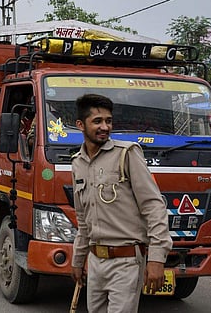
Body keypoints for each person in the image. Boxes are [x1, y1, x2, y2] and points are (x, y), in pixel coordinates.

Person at [71, 94, 172, 313]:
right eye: (97, 121)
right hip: (96, 261)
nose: (105, 127)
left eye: (108, 121)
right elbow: (83, 219)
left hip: (126, 263)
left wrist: (156, 259)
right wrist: (78, 260)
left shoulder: (127, 154)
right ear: (81, 125)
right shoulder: (77, 163)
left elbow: (154, 207)